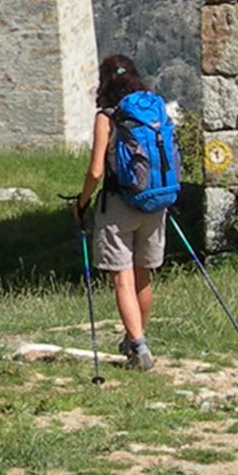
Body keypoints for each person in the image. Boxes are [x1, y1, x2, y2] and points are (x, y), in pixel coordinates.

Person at [73, 53, 166, 371]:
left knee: (122, 279)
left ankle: (139, 347)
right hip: (155, 202)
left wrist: (81, 202)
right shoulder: (154, 109)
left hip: (119, 205)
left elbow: (96, 171)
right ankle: (134, 339)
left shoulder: (106, 117)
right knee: (143, 277)